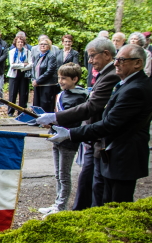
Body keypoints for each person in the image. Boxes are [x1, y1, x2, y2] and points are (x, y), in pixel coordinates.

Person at [48, 44, 152, 204]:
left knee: (116, 203)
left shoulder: (136, 88)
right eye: (116, 59)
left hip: (124, 154)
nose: (116, 63)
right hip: (116, 151)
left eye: (121, 60)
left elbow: (110, 123)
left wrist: (71, 133)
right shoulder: (129, 84)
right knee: (104, 197)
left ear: (137, 63)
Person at [36, 37, 119, 210]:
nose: (89, 61)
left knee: (93, 183)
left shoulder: (111, 76)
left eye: (92, 56)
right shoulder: (103, 74)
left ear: (106, 54)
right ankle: (75, 210)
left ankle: (72, 209)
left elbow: (91, 106)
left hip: (89, 136)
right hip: (88, 137)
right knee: (84, 180)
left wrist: (54, 118)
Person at [38, 63, 89, 216]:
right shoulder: (62, 94)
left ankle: (61, 206)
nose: (60, 81)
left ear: (75, 79)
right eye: (59, 77)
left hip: (68, 140)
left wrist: (54, 121)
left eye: (64, 78)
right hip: (55, 137)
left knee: (64, 175)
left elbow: (74, 119)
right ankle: (57, 203)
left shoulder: (80, 97)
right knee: (57, 174)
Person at [6, 36, 33, 116]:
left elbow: (31, 64)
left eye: (21, 42)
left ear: (24, 43)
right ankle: (10, 111)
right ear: (15, 43)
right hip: (13, 74)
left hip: (24, 74)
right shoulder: (11, 52)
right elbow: (12, 65)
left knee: (23, 93)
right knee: (12, 94)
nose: (20, 44)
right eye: (18, 42)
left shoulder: (28, 52)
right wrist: (23, 64)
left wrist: (19, 65)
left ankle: (21, 111)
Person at [31, 37, 59, 112]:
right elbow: (33, 68)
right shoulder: (38, 56)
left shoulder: (51, 56)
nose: (42, 46)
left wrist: (38, 81)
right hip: (38, 84)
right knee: (37, 103)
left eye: (45, 44)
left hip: (47, 85)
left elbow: (50, 71)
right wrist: (33, 79)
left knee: (45, 104)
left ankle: (46, 122)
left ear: (49, 46)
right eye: (41, 44)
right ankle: (37, 119)